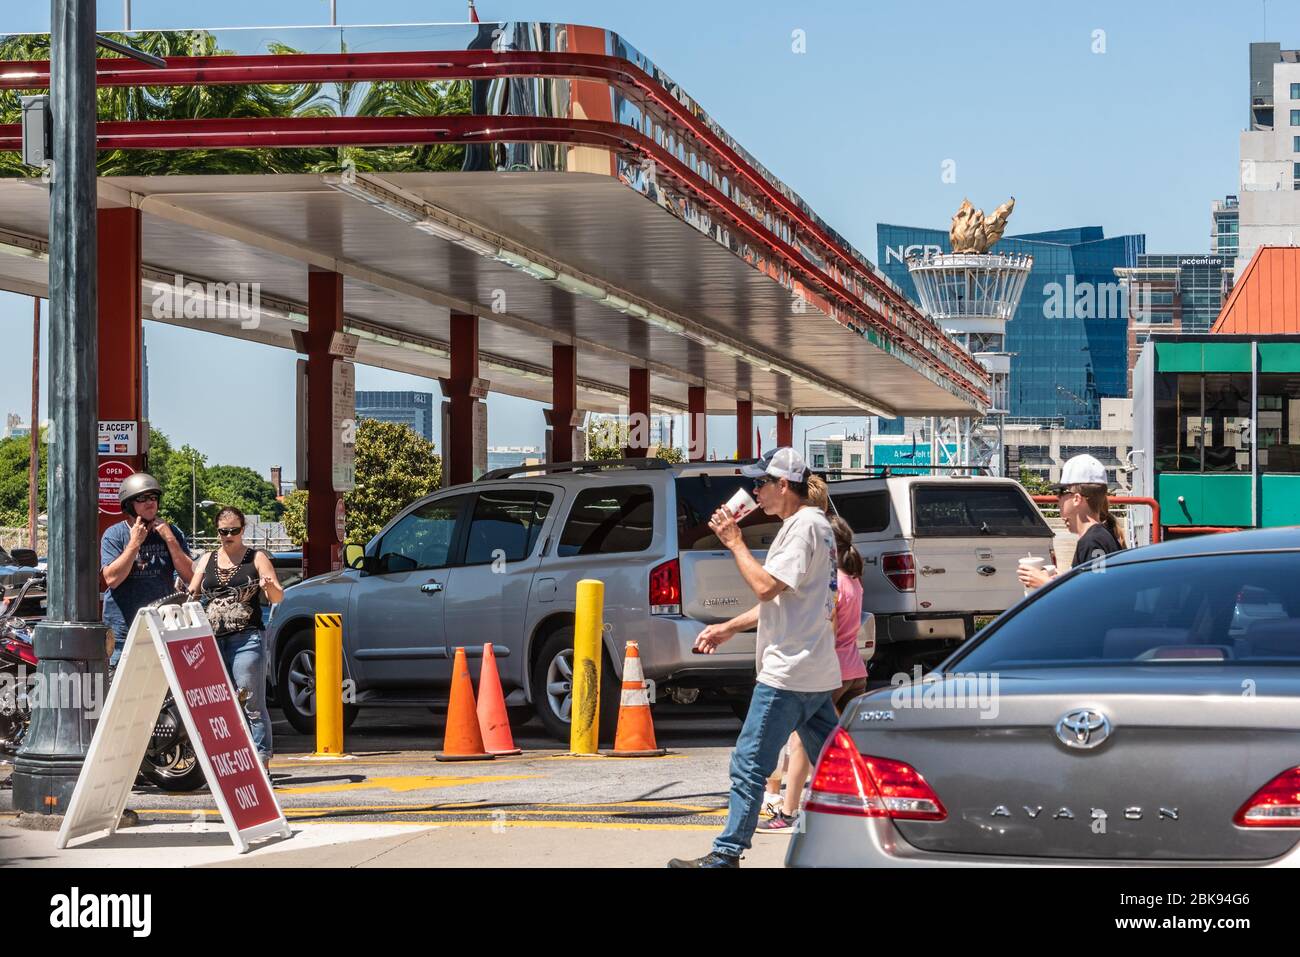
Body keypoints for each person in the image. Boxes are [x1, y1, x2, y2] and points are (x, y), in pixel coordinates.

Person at [668, 447, 841, 868]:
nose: (754, 491)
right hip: (814, 670)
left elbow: (765, 587)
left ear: (784, 486)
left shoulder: (801, 528)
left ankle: (726, 853)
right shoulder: (815, 525)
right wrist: (730, 627)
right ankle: (887, 832)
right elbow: (783, 599)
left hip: (787, 672)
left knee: (748, 764)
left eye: (761, 483)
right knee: (839, 766)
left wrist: (734, 542)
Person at [756, 513, 868, 833]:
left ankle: (789, 812)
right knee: (837, 745)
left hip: (828, 672)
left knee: (800, 745)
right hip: (854, 671)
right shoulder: (854, 580)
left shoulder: (831, 586)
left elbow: (826, 631)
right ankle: (849, 805)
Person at [188, 506, 283, 764]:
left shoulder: (256, 557)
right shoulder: (207, 559)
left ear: (243, 530)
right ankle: (230, 761)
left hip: (246, 638)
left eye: (234, 531)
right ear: (217, 531)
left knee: (250, 700)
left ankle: (261, 761)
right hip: (213, 641)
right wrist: (186, 591)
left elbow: (277, 597)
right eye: (223, 531)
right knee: (220, 705)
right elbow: (192, 592)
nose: (228, 536)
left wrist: (269, 586)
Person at [101, 473, 194, 666]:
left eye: (153, 497)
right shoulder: (114, 535)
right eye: (142, 498)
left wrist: (170, 540)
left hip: (163, 627)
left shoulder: (172, 532)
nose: (150, 502)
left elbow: (190, 576)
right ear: (128, 505)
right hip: (123, 632)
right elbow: (111, 579)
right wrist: (135, 543)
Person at [1019, 453, 1125, 592]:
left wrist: (1046, 584)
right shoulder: (1101, 535)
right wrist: (1064, 580)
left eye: (1061, 492)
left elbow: (1097, 594)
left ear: (1076, 499)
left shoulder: (1092, 541)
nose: (1058, 499)